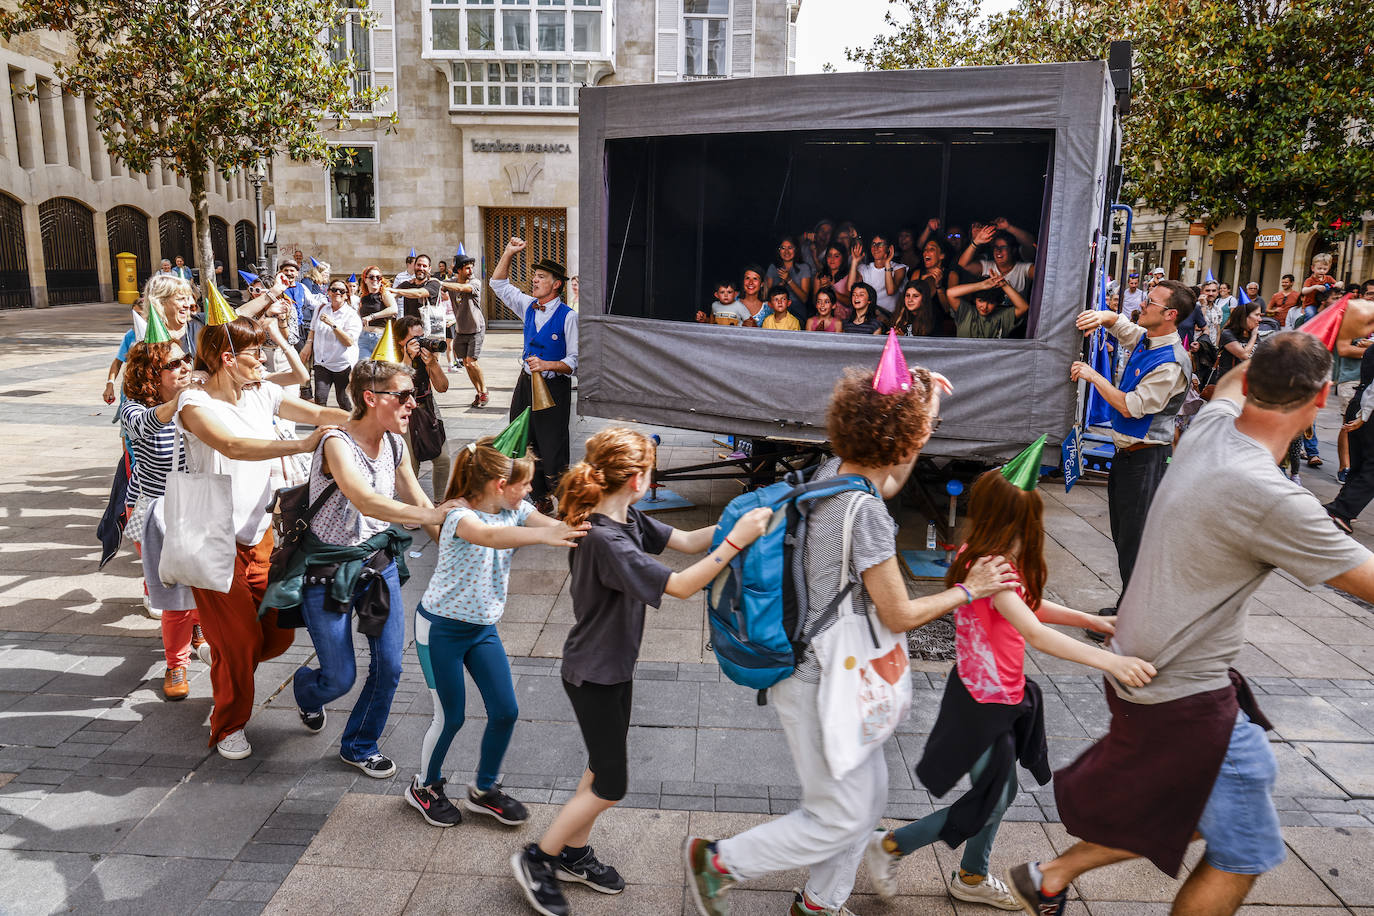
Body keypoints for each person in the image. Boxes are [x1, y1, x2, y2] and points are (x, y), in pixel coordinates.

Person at [1008, 332, 1374, 916]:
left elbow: (1228, 384)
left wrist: (1307, 335)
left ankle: (1049, 876)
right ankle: (1049, 874)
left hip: (1143, 671)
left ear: (1250, 381)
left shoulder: (1210, 428)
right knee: (1244, 852)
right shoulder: (1274, 498)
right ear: (1323, 397)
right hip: (1182, 691)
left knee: (1202, 809)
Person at [684, 367, 1018, 916]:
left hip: (832, 673)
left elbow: (893, 476)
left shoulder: (834, 473)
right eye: (921, 433)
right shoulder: (866, 513)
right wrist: (968, 590)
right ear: (902, 441)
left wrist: (924, 408)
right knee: (840, 816)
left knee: (866, 801)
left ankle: (820, 902)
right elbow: (899, 613)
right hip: (820, 683)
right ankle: (719, 862)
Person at [864, 456, 1153, 911]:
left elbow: (1025, 606)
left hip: (998, 697)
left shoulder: (984, 558)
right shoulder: (991, 567)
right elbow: (1034, 632)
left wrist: (1088, 619)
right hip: (981, 706)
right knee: (991, 797)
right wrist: (1111, 662)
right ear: (1015, 520)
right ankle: (894, 847)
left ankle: (971, 875)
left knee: (1001, 793)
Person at [513, 428, 774, 916]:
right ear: (637, 479)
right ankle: (538, 859)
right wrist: (738, 541)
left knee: (600, 767)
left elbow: (690, 541)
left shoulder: (625, 517)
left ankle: (572, 853)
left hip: (611, 668)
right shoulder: (605, 539)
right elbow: (681, 585)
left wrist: (741, 516)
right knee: (611, 784)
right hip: (593, 675)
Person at [174, 314, 347, 759]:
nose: (265, 360)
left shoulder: (262, 392)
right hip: (211, 541)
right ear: (228, 359)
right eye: (257, 353)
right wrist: (300, 445)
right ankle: (228, 725)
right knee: (240, 643)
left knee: (278, 634)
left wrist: (369, 419)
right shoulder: (193, 403)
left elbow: (318, 412)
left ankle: (225, 656)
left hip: (261, 537)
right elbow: (231, 445)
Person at [282, 359, 457, 778]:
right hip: (327, 571)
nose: (413, 403)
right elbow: (365, 500)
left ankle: (360, 744)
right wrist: (432, 515)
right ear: (370, 397)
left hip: (378, 565)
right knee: (338, 678)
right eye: (404, 395)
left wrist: (454, 552)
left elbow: (419, 502)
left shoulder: (396, 444)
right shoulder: (336, 443)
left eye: (412, 394)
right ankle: (308, 690)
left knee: (391, 667)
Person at [408, 437, 587, 828]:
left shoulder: (515, 509)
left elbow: (555, 526)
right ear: (499, 485)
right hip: (440, 629)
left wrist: (582, 526)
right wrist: (546, 536)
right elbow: (490, 537)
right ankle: (425, 786)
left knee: (506, 711)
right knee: (450, 717)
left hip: (482, 629)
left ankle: (484, 789)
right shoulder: (459, 516)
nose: (530, 491)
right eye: (525, 484)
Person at [1069, 280, 1193, 626]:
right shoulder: (1148, 338)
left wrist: (1094, 376)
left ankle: (1131, 621)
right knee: (1125, 537)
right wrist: (1102, 316)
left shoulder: (1171, 363)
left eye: (1151, 302)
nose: (1143, 305)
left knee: (1136, 541)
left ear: (1170, 315)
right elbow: (1121, 325)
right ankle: (1129, 608)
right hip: (1128, 457)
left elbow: (1130, 406)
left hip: (1147, 459)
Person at [120, 335, 207, 699]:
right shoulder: (133, 409)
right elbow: (149, 424)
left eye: (186, 358)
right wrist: (181, 400)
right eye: (174, 364)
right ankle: (176, 664)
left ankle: (197, 628)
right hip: (154, 510)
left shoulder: (198, 399)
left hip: (196, 503)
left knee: (202, 582)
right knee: (174, 594)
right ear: (149, 374)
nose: (185, 366)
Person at [491, 237, 577, 514]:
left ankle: (565, 501)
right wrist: (508, 252)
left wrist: (547, 364)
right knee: (523, 437)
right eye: (535, 276)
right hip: (526, 384)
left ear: (556, 284)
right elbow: (498, 285)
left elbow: (575, 362)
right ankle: (539, 496)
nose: (535, 280)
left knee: (552, 445)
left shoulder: (569, 317)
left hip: (554, 388)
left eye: (541, 277)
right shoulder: (529, 305)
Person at [395, 315, 453, 503]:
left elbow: (442, 387)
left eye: (422, 337)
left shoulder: (426, 356)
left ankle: (439, 503)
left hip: (426, 407)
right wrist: (407, 358)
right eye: (415, 338)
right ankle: (413, 508)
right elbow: (397, 387)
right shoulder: (390, 355)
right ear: (401, 341)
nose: (420, 342)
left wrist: (433, 364)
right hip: (401, 412)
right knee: (411, 464)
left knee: (443, 459)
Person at [1326, 343, 1374, 532]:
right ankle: (1342, 510)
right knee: (1369, 467)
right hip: (1367, 409)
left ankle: (1341, 506)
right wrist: (1364, 415)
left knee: (1360, 464)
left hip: (1360, 403)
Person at [301, 279, 362, 410]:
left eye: (342, 291)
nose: (337, 293)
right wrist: (308, 345)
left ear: (346, 295)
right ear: (328, 292)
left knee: (344, 402)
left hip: (342, 365)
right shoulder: (321, 308)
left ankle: (348, 423)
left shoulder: (351, 315)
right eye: (334, 290)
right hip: (321, 363)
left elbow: (348, 341)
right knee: (320, 401)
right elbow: (313, 329)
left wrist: (333, 325)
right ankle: (321, 423)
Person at [438, 254, 489, 406]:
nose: (470, 271)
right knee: (466, 363)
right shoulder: (451, 282)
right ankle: (479, 392)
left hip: (476, 328)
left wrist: (442, 283)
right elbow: (439, 287)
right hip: (461, 330)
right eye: (467, 268)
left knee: (472, 362)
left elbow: (462, 288)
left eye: (471, 268)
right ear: (458, 270)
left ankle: (484, 391)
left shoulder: (475, 282)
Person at [959, 221, 1036, 301]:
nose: (998, 251)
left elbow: (1042, 274)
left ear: (1013, 250)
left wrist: (1008, 227)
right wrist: (976, 242)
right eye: (996, 247)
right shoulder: (986, 266)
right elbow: (962, 265)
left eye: (1003, 247)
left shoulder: (1024, 269)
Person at [946, 274, 1029, 339]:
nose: (985, 307)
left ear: (997, 303)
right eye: (981, 301)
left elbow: (1023, 307)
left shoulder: (1002, 316)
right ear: (975, 300)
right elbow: (950, 293)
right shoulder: (966, 312)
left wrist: (1003, 284)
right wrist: (981, 285)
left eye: (991, 302)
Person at [849, 233, 906, 315]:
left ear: (889, 248)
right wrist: (854, 262)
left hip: (890, 316)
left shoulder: (899, 268)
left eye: (880, 244)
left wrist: (887, 263)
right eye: (873, 244)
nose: (876, 247)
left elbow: (890, 291)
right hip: (869, 316)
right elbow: (850, 288)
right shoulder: (864, 269)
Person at [765, 236, 813, 321]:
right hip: (775, 308)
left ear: (796, 249)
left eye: (790, 248)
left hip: (796, 309)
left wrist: (789, 280)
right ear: (779, 250)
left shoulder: (804, 267)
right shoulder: (773, 267)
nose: (786, 251)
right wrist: (781, 285)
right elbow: (767, 296)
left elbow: (804, 298)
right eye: (783, 248)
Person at [356, 266, 398, 356]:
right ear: (365, 280)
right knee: (363, 364)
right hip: (364, 337)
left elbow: (394, 309)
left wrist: (372, 316)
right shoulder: (363, 297)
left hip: (380, 337)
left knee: (380, 365)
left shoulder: (384, 294)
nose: (375, 279)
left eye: (378, 277)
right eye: (371, 277)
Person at [393, 254, 442, 324]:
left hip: (428, 328)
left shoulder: (433, 284)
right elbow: (392, 295)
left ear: (429, 269)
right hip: (409, 327)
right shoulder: (407, 284)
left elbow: (419, 293)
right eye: (419, 265)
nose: (421, 268)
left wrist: (396, 291)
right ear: (414, 266)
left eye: (424, 266)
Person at [1215, 301, 1261, 376]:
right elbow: (1244, 355)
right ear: (1244, 316)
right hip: (1230, 380)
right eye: (1257, 315)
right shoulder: (1227, 334)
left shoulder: (1254, 333)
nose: (1260, 319)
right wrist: (1253, 336)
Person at [812, 244, 852, 317]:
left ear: (843, 258)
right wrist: (823, 289)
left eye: (836, 256)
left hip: (844, 318)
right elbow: (814, 302)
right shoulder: (820, 275)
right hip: (824, 317)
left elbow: (849, 302)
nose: (832, 259)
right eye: (829, 256)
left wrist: (831, 288)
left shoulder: (849, 276)